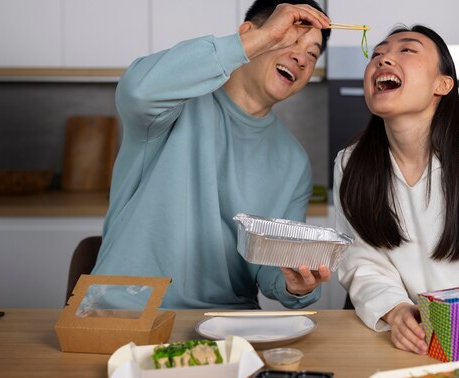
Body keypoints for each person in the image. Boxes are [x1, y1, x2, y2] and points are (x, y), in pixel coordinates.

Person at [90, 1, 332, 310]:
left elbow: (271, 267)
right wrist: (255, 42)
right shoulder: (174, 103)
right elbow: (138, 91)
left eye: (312, 54)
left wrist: (292, 285)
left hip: (224, 324)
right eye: (286, 40)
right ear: (249, 36)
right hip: (126, 312)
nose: (300, 58)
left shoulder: (293, 162)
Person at [333, 25, 459, 355]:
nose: (384, 59)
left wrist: (452, 324)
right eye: (378, 53)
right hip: (394, 342)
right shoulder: (350, 162)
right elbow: (363, 262)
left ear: (442, 85)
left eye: (406, 50)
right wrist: (396, 311)